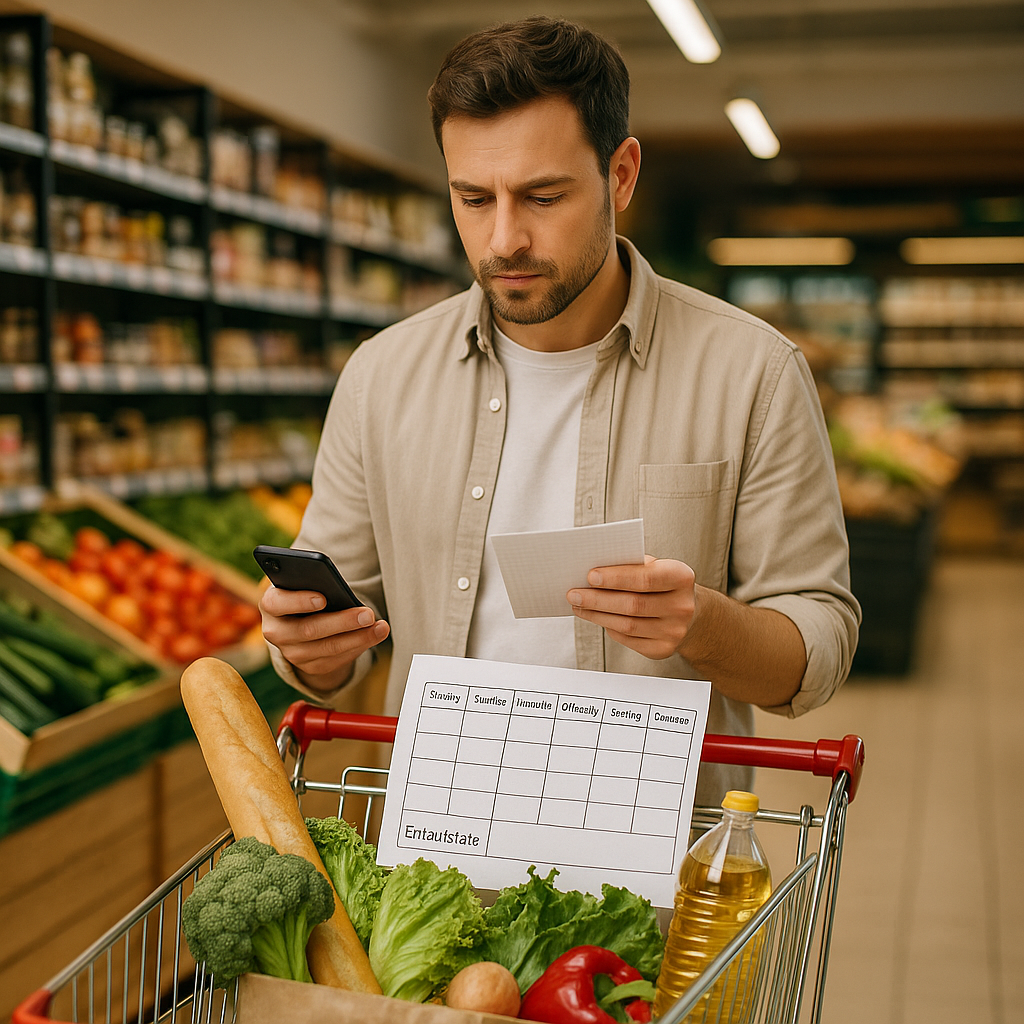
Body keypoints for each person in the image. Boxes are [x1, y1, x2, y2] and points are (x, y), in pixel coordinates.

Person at [260, 16, 860, 802]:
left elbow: (819, 641)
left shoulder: (753, 372)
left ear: (621, 175)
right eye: (473, 198)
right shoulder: (381, 376)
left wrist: (701, 623)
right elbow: (331, 646)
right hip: (436, 855)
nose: (503, 239)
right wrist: (310, 645)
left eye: (543, 196)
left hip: (655, 870)